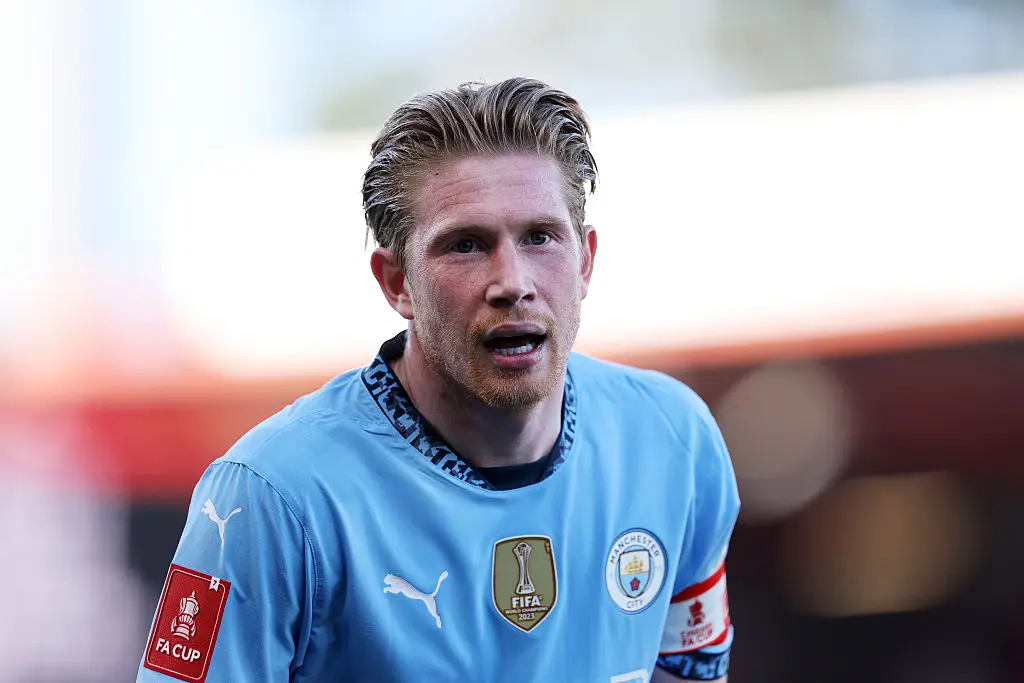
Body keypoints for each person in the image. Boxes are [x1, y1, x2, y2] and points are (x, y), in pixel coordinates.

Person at [136, 77, 740, 683]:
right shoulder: (272, 495)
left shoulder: (675, 442)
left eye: (539, 237)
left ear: (584, 260)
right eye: (467, 245)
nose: (513, 281)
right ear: (396, 282)